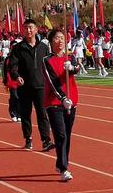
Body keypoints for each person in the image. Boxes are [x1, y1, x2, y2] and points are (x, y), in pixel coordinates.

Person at [9, 19, 55, 151]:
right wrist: (16, 76)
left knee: (42, 114)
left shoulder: (44, 48)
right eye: (26, 28)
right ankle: (28, 139)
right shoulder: (18, 48)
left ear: (36, 30)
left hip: (41, 86)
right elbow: (13, 66)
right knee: (26, 114)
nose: (28, 30)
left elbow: (49, 66)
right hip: (24, 87)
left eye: (30, 28)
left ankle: (46, 140)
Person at [43, 29, 80, 181]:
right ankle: (64, 168)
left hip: (72, 101)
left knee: (67, 135)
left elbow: (77, 68)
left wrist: (71, 68)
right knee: (61, 134)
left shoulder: (70, 57)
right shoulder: (47, 60)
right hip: (55, 102)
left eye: (62, 38)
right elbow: (52, 82)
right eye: (57, 38)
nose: (60, 41)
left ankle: (61, 162)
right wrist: (63, 98)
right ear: (51, 42)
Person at [2, 42, 21, 122]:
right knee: (15, 96)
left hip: (20, 81)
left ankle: (19, 114)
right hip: (11, 81)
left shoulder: (21, 57)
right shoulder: (8, 58)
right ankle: (13, 112)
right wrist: (5, 80)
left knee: (19, 98)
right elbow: (4, 70)